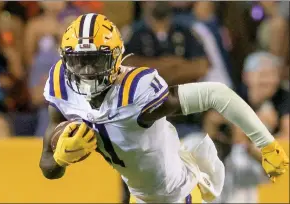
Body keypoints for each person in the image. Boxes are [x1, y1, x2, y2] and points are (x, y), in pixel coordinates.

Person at [39, 14, 289, 203]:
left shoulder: (136, 93)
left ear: (116, 58)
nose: (87, 73)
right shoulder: (62, 86)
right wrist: (61, 158)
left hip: (178, 195)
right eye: (79, 61)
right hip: (142, 196)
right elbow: (47, 168)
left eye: (95, 62)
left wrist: (266, 143)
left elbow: (216, 94)